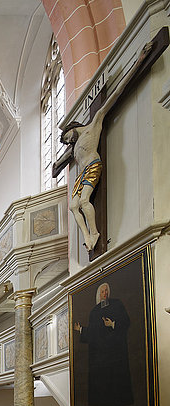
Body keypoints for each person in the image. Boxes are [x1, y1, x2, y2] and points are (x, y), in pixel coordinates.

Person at [55, 42, 152, 251]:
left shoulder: (93, 124)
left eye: (67, 137)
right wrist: (57, 163)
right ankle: (88, 235)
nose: (68, 142)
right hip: (81, 174)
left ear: (72, 128)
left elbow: (116, 93)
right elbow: (58, 165)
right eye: (66, 142)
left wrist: (139, 61)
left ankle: (95, 233)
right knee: (73, 206)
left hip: (93, 165)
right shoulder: (73, 148)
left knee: (84, 202)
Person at [73, 282, 132, 406]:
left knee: (115, 378)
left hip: (115, 351)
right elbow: (94, 332)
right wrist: (82, 330)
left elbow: (126, 322)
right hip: (100, 354)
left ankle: (118, 404)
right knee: (101, 378)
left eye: (106, 291)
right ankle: (103, 404)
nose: (105, 293)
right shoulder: (94, 311)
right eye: (102, 291)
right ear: (98, 294)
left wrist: (112, 324)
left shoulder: (117, 304)